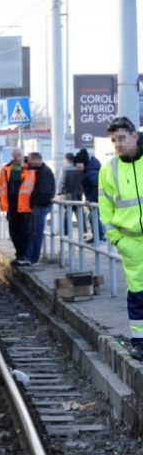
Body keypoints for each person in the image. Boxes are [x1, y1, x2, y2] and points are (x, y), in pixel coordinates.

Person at [99, 116, 143, 360]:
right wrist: (116, 239)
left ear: (134, 136)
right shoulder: (109, 169)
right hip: (130, 241)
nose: (117, 144)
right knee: (138, 292)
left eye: (122, 138)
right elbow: (104, 207)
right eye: (114, 140)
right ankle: (139, 343)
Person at [0, 147, 35, 265]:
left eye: (19, 155)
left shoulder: (30, 169)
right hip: (12, 207)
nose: (17, 157)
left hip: (25, 207)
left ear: (22, 155)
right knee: (13, 232)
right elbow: (0, 186)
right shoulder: (6, 170)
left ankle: (24, 255)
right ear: (12, 157)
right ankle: (20, 254)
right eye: (15, 155)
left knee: (24, 231)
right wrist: (1, 201)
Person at [24, 152, 55, 266]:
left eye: (31, 161)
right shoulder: (42, 171)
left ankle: (32, 258)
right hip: (40, 205)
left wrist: (35, 201)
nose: (30, 164)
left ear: (38, 160)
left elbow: (44, 192)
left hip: (40, 206)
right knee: (35, 232)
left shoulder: (44, 172)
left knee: (35, 233)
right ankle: (31, 257)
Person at [75, 148, 106, 243]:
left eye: (78, 164)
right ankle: (98, 236)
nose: (76, 167)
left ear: (82, 163)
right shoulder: (89, 168)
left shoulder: (91, 171)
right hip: (94, 198)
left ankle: (99, 237)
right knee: (92, 217)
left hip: (96, 198)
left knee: (93, 217)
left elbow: (98, 185)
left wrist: (91, 200)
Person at [58, 152, 87, 234]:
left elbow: (63, 182)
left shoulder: (65, 169)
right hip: (79, 194)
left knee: (67, 213)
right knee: (80, 213)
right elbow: (83, 179)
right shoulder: (79, 167)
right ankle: (83, 231)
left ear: (66, 159)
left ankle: (65, 232)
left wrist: (59, 193)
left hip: (68, 194)